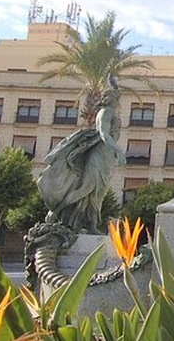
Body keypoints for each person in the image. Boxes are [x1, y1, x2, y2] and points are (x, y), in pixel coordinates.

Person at [38, 79, 126, 234]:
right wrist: (119, 150)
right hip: (99, 156)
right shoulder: (106, 113)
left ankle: (91, 225)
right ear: (111, 99)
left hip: (106, 158)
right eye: (116, 98)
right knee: (85, 189)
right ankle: (55, 213)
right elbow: (104, 135)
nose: (118, 100)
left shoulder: (109, 112)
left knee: (97, 194)